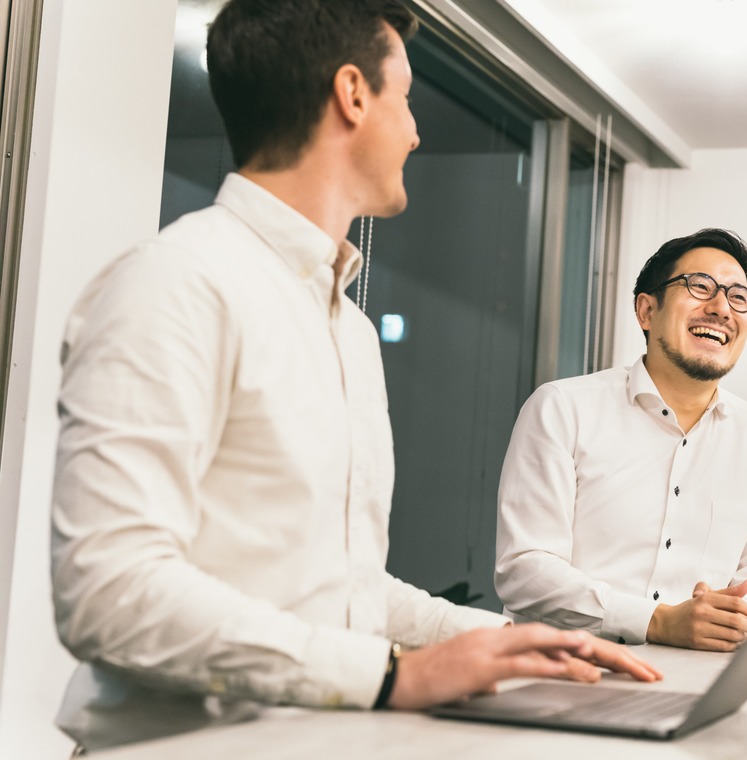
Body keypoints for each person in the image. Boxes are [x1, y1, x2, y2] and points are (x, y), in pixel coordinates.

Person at [50, 0, 658, 751]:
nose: (415, 129)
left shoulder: (350, 327)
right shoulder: (172, 285)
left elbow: (342, 589)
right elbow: (106, 594)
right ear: (353, 93)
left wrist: (512, 640)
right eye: (405, 98)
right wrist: (391, 675)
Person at [495, 228, 747, 652]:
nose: (721, 308)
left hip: (701, 675)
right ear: (646, 311)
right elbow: (524, 570)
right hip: (568, 674)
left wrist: (733, 617)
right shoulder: (562, 408)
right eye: (700, 287)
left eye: (738, 297)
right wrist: (655, 622)